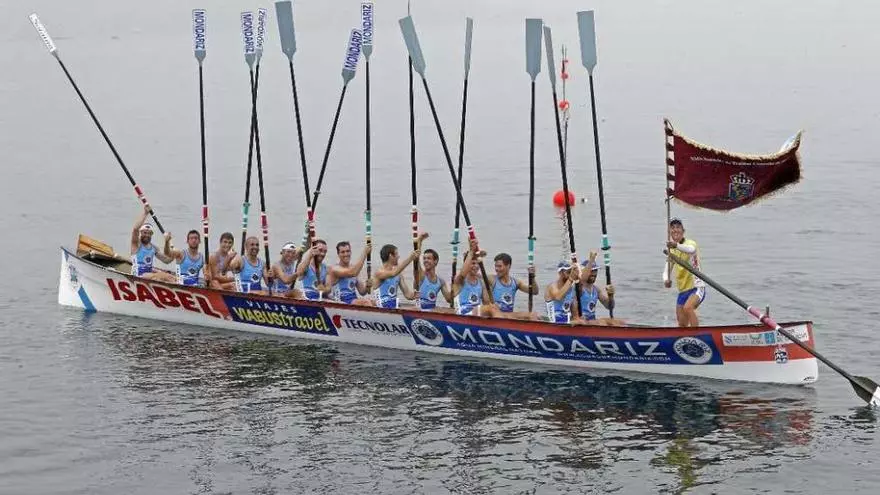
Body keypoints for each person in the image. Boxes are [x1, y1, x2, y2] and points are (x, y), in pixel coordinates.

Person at [663, 217, 706, 327]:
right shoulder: (671, 250)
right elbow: (667, 269)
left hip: (697, 287)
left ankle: (697, 335)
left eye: (678, 227)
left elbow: (691, 250)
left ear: (683, 231)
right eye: (672, 228)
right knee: (681, 323)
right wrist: (666, 280)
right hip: (683, 290)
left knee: (688, 308)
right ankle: (684, 336)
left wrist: (676, 245)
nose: (675, 230)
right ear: (669, 232)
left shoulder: (690, 243)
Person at [372, 233, 429, 309]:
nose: (399, 256)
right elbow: (393, 273)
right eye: (396, 254)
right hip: (381, 309)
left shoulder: (399, 275)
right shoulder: (379, 273)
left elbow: (408, 295)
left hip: (394, 309)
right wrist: (410, 258)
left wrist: (416, 294)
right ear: (390, 256)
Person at [452, 240, 501, 317]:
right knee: (491, 308)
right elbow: (463, 273)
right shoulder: (459, 280)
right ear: (466, 264)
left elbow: (487, 302)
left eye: (478, 263)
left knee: (495, 307)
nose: (476, 266)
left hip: (476, 314)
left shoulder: (481, 282)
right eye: (473, 263)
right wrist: (471, 251)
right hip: (462, 314)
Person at [577, 250, 625, 326]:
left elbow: (609, 306)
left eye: (595, 270)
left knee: (619, 322)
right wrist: (591, 260)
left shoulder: (596, 290)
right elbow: (582, 280)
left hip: (591, 322)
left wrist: (611, 296)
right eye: (592, 271)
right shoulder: (579, 287)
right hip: (580, 322)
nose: (594, 273)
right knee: (602, 322)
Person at [130, 205, 176, 283]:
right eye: (144, 232)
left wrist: (174, 253)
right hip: (138, 275)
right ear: (141, 233)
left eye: (149, 233)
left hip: (149, 276)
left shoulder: (154, 248)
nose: (147, 235)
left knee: (171, 277)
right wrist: (145, 213)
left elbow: (166, 260)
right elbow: (135, 229)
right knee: (162, 276)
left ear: (151, 234)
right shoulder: (136, 244)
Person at [489, 252, 539, 320]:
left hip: (508, 317)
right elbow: (478, 276)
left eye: (500, 266)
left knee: (534, 315)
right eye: (496, 266)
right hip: (496, 316)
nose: (497, 269)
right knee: (530, 315)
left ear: (508, 266)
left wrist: (532, 277)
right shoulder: (492, 279)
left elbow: (534, 291)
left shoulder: (515, 283)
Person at [326, 241, 373, 305]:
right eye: (342, 252)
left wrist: (367, 286)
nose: (346, 254)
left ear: (351, 252)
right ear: (338, 254)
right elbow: (353, 272)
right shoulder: (334, 269)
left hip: (353, 301)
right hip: (341, 302)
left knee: (374, 302)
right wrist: (365, 253)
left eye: (348, 251)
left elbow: (362, 292)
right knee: (366, 302)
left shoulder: (354, 268)